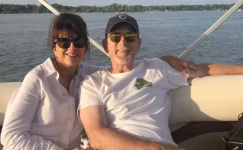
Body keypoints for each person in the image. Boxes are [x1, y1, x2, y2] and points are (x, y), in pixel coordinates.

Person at [0, 13, 195, 150]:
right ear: (54, 47)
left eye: (79, 42)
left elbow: (122, 70)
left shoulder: (88, 74)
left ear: (86, 47)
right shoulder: (37, 79)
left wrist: (166, 60)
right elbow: (11, 138)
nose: (72, 48)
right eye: (64, 42)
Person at [78, 13, 243, 150]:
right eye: (115, 37)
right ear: (106, 44)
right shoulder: (93, 83)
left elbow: (202, 69)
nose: (122, 43)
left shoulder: (156, 68)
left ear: (138, 43)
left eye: (130, 37)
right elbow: (97, 136)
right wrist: (156, 148)